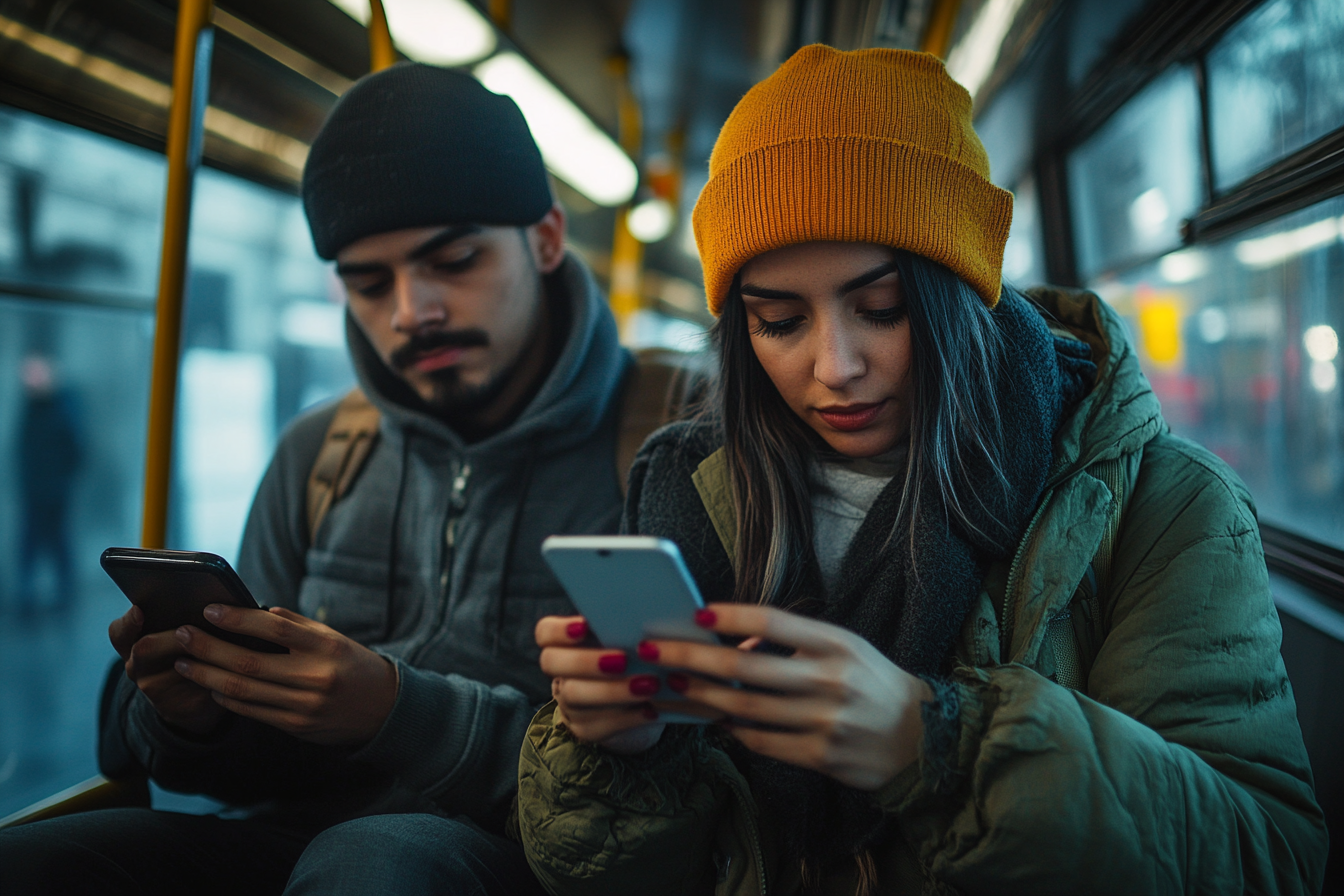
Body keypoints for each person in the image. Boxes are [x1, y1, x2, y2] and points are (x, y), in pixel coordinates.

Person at [516, 46, 1328, 895]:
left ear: (959, 290)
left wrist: (935, 747)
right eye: (781, 322)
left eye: (883, 309)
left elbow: (1265, 856)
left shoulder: (1162, 507)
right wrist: (611, 760)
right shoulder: (692, 496)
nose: (835, 366)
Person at [2, 63, 681, 895]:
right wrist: (195, 716)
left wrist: (399, 713)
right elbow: (242, 778)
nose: (411, 310)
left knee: (375, 864)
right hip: (302, 841)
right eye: (368, 282)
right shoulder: (321, 452)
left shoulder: (669, 446)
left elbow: (692, 775)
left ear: (545, 237)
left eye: (455, 260)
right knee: (42, 864)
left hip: (539, 862)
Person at [14, 353, 83, 614]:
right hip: (34, 490)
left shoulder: (63, 407)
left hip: (55, 492)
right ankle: (28, 598)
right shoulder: (30, 408)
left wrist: (60, 480)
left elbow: (76, 450)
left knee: (58, 544)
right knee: (29, 545)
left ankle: (64, 595)